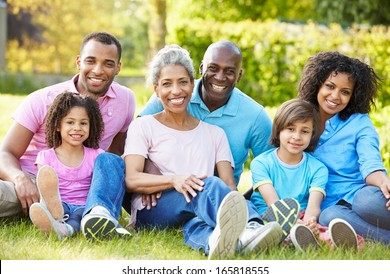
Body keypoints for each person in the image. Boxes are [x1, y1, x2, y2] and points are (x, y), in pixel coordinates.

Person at [81, 44, 285, 259]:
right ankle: (252, 227)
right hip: (154, 209)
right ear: (156, 90)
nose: (176, 91)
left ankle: (222, 241)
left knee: (199, 223)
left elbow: (230, 187)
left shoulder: (216, 134)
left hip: (195, 208)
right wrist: (173, 180)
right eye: (167, 84)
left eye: (182, 82)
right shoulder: (144, 126)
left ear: (191, 84)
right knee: (207, 184)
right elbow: (131, 179)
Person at [0, 32, 136, 220]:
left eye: (108, 63)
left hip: (84, 188)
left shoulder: (125, 99)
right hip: (35, 182)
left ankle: (92, 214)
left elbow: (114, 155)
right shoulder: (42, 100)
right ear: (79, 62)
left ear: (118, 68)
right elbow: (5, 152)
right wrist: (19, 179)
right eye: (91, 61)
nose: (98, 70)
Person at [140, 40, 272, 187]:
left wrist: (246, 202)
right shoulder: (175, 94)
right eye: (213, 68)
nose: (220, 77)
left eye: (229, 71)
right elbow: (134, 135)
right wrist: (153, 177)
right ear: (202, 68)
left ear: (239, 75)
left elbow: (272, 169)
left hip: (220, 197)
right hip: (167, 188)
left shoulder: (255, 116)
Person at [298, 51, 390, 245]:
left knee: (365, 201)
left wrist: (384, 182)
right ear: (317, 85)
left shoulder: (359, 123)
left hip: (362, 196)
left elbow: (370, 162)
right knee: (329, 217)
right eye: (330, 86)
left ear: (353, 95)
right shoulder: (300, 123)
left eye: (345, 91)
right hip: (331, 204)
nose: (335, 96)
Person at [250, 98, 361, 251]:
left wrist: (309, 222)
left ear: (312, 135)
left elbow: (314, 205)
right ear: (278, 130)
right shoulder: (261, 163)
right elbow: (273, 202)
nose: (297, 136)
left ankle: (329, 240)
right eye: (290, 129)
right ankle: (293, 238)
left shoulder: (318, 168)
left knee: (318, 229)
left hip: (302, 216)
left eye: (304, 131)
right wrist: (292, 223)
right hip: (269, 215)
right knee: (269, 230)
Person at [30, 91, 109, 239]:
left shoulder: (98, 155)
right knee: (60, 208)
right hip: (61, 203)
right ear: (58, 125)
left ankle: (65, 230)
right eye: (70, 122)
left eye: (83, 123)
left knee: (80, 215)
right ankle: (52, 213)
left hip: (84, 205)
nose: (77, 128)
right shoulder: (46, 157)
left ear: (92, 126)